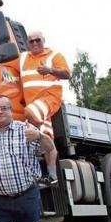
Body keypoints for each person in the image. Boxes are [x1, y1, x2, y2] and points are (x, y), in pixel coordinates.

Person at [19, 30, 69, 185]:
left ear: (44, 41)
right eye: (31, 41)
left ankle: (38, 148)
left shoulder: (54, 56)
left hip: (49, 99)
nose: (34, 43)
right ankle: (52, 176)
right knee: (47, 138)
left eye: (38, 40)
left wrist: (50, 70)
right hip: (35, 104)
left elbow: (67, 74)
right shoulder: (23, 58)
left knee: (29, 113)